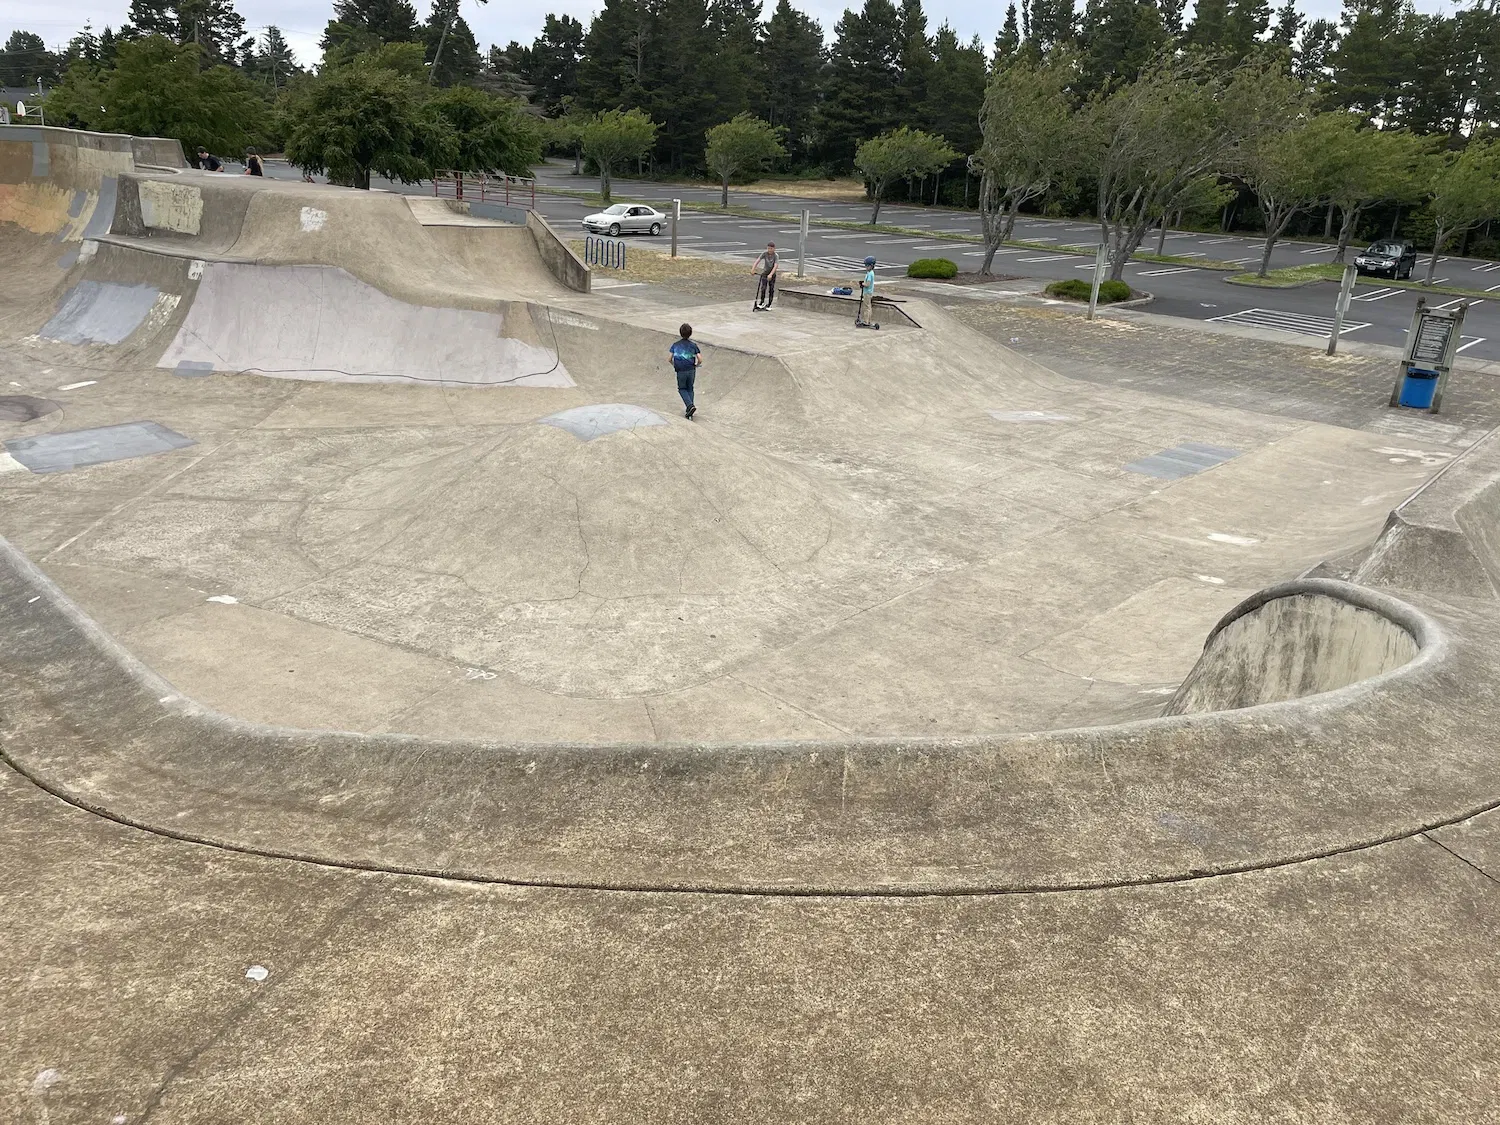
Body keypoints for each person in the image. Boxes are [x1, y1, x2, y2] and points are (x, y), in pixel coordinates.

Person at [669, 323, 702, 418]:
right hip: (691, 369)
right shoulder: (693, 345)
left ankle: (690, 406)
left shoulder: (675, 345)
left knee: (682, 389)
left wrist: (674, 364)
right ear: (690, 334)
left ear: (680, 333)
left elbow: (669, 359)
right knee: (690, 388)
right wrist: (697, 365)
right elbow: (700, 359)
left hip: (680, 370)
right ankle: (690, 407)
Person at [751, 242, 778, 311]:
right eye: (768, 248)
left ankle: (769, 303)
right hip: (765, 273)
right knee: (763, 288)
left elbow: (775, 266)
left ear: (774, 249)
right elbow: (757, 260)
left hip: (772, 274)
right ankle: (762, 302)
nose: (769, 250)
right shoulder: (764, 253)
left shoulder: (775, 256)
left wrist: (771, 274)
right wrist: (753, 269)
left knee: (771, 289)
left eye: (771, 248)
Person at [856, 255, 879, 329]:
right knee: (868, 307)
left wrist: (862, 284)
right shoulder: (871, 273)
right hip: (868, 292)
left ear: (871, 266)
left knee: (866, 307)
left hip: (867, 292)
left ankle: (866, 322)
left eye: (867, 265)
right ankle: (868, 321)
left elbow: (868, 284)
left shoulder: (870, 274)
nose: (866, 267)